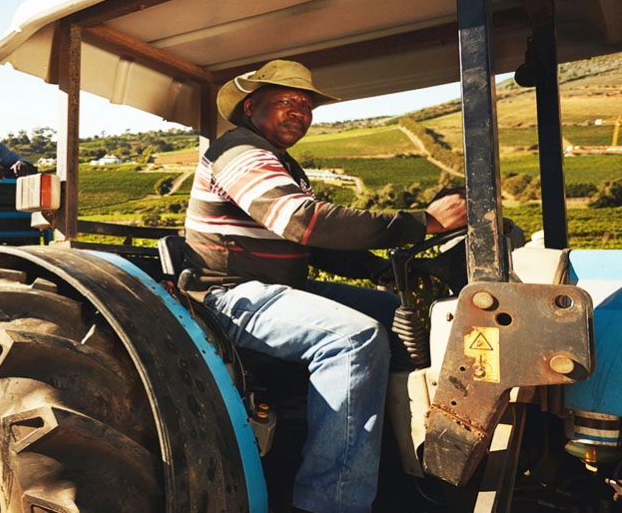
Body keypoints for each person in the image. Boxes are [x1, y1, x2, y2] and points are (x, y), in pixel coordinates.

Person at [183, 60, 466, 513]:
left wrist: (380, 270)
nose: (300, 112)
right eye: (287, 102)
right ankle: (331, 500)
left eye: (306, 105)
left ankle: (393, 457)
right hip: (228, 295)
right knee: (353, 339)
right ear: (251, 106)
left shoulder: (282, 164)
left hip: (278, 288)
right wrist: (423, 223)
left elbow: (317, 247)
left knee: (389, 311)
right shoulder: (239, 152)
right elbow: (302, 222)